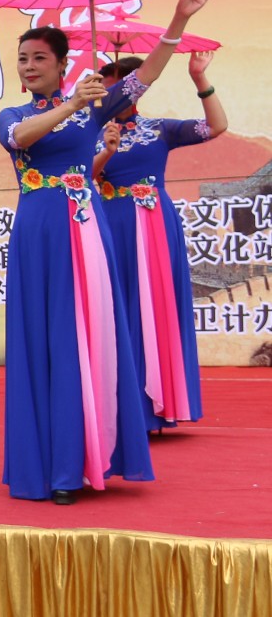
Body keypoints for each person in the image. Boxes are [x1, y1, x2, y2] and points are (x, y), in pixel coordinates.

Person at [0, 0, 211, 504]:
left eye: (39, 58)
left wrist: (180, 19)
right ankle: (53, 462)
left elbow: (147, 75)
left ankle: (90, 455)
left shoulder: (96, 107)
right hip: (39, 232)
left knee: (89, 334)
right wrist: (75, 103)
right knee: (46, 340)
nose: (28, 66)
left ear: (61, 64)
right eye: (22, 58)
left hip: (85, 228)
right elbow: (21, 139)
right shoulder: (15, 115)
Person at [93, 50, 227, 431]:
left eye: (122, 87)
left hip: (156, 225)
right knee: (120, 310)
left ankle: (161, 404)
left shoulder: (159, 129)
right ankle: (124, 411)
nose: (115, 94)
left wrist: (199, 79)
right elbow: (82, 177)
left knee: (156, 307)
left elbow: (216, 126)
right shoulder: (89, 133)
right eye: (109, 89)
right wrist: (105, 151)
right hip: (113, 222)